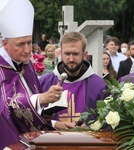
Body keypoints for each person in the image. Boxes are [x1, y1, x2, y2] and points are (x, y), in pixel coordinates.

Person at [0, 0, 62, 148]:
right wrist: (41, 98)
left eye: (29, 42)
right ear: (5, 44)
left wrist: (53, 122)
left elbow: (30, 110)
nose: (27, 50)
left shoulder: (27, 65)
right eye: (21, 44)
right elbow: (4, 108)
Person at [39, 31, 107, 129]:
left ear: (84, 55)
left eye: (75, 54)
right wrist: (55, 124)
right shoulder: (44, 83)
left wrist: (91, 128)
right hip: (52, 143)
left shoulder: (99, 86)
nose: (71, 59)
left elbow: (109, 122)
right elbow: (32, 117)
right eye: (67, 54)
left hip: (89, 143)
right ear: (60, 53)